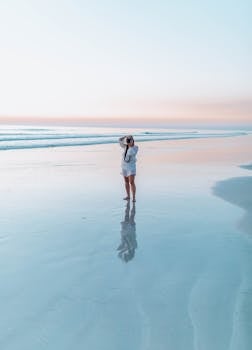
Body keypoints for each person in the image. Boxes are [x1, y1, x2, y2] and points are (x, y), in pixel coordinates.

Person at [118, 135, 138, 202]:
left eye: (130, 140)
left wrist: (130, 145)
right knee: (126, 182)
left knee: (131, 182)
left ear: (133, 140)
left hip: (131, 167)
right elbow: (119, 140)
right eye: (128, 140)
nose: (129, 141)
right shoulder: (125, 146)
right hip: (124, 166)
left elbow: (132, 153)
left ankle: (134, 197)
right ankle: (128, 196)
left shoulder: (135, 147)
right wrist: (125, 136)